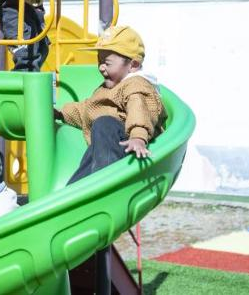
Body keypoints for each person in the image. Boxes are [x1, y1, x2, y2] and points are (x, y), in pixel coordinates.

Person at [56, 25, 166, 184]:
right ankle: (73, 192)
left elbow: (139, 111)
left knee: (104, 124)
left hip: (131, 149)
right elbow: (87, 110)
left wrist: (138, 137)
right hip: (110, 149)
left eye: (107, 63)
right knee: (92, 153)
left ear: (133, 65)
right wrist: (60, 113)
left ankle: (105, 183)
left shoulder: (136, 85)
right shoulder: (109, 88)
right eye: (99, 61)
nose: (101, 67)